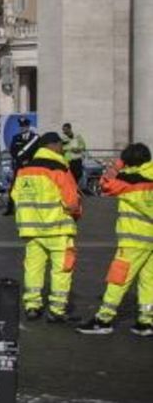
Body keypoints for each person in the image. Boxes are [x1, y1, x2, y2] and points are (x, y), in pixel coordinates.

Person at [77, 143, 153, 336]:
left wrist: (118, 164)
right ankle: (146, 321)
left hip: (134, 240)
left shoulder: (130, 180)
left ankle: (104, 319)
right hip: (150, 240)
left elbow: (104, 184)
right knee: (148, 281)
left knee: (118, 279)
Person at [11, 130, 80, 322]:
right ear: (53, 146)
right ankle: (57, 310)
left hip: (31, 230)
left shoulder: (24, 170)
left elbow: (15, 196)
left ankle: (32, 306)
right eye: (60, 145)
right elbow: (72, 202)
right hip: (58, 228)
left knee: (33, 268)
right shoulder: (59, 169)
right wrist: (76, 214)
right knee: (62, 270)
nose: (62, 149)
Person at [3, 120, 39, 216]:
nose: (22, 128)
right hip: (19, 166)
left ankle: (33, 208)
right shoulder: (16, 138)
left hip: (31, 166)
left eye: (24, 126)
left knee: (32, 187)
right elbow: (12, 151)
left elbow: (37, 152)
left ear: (28, 127)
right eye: (21, 127)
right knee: (14, 187)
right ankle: (10, 208)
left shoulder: (35, 138)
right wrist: (20, 160)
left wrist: (29, 160)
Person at [61, 121, 88, 186]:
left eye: (65, 130)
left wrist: (78, 149)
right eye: (63, 130)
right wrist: (64, 151)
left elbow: (83, 146)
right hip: (67, 160)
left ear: (70, 128)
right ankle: (71, 188)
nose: (64, 131)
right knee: (69, 176)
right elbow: (60, 148)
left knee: (78, 175)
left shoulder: (77, 136)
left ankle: (75, 187)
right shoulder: (62, 138)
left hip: (77, 159)